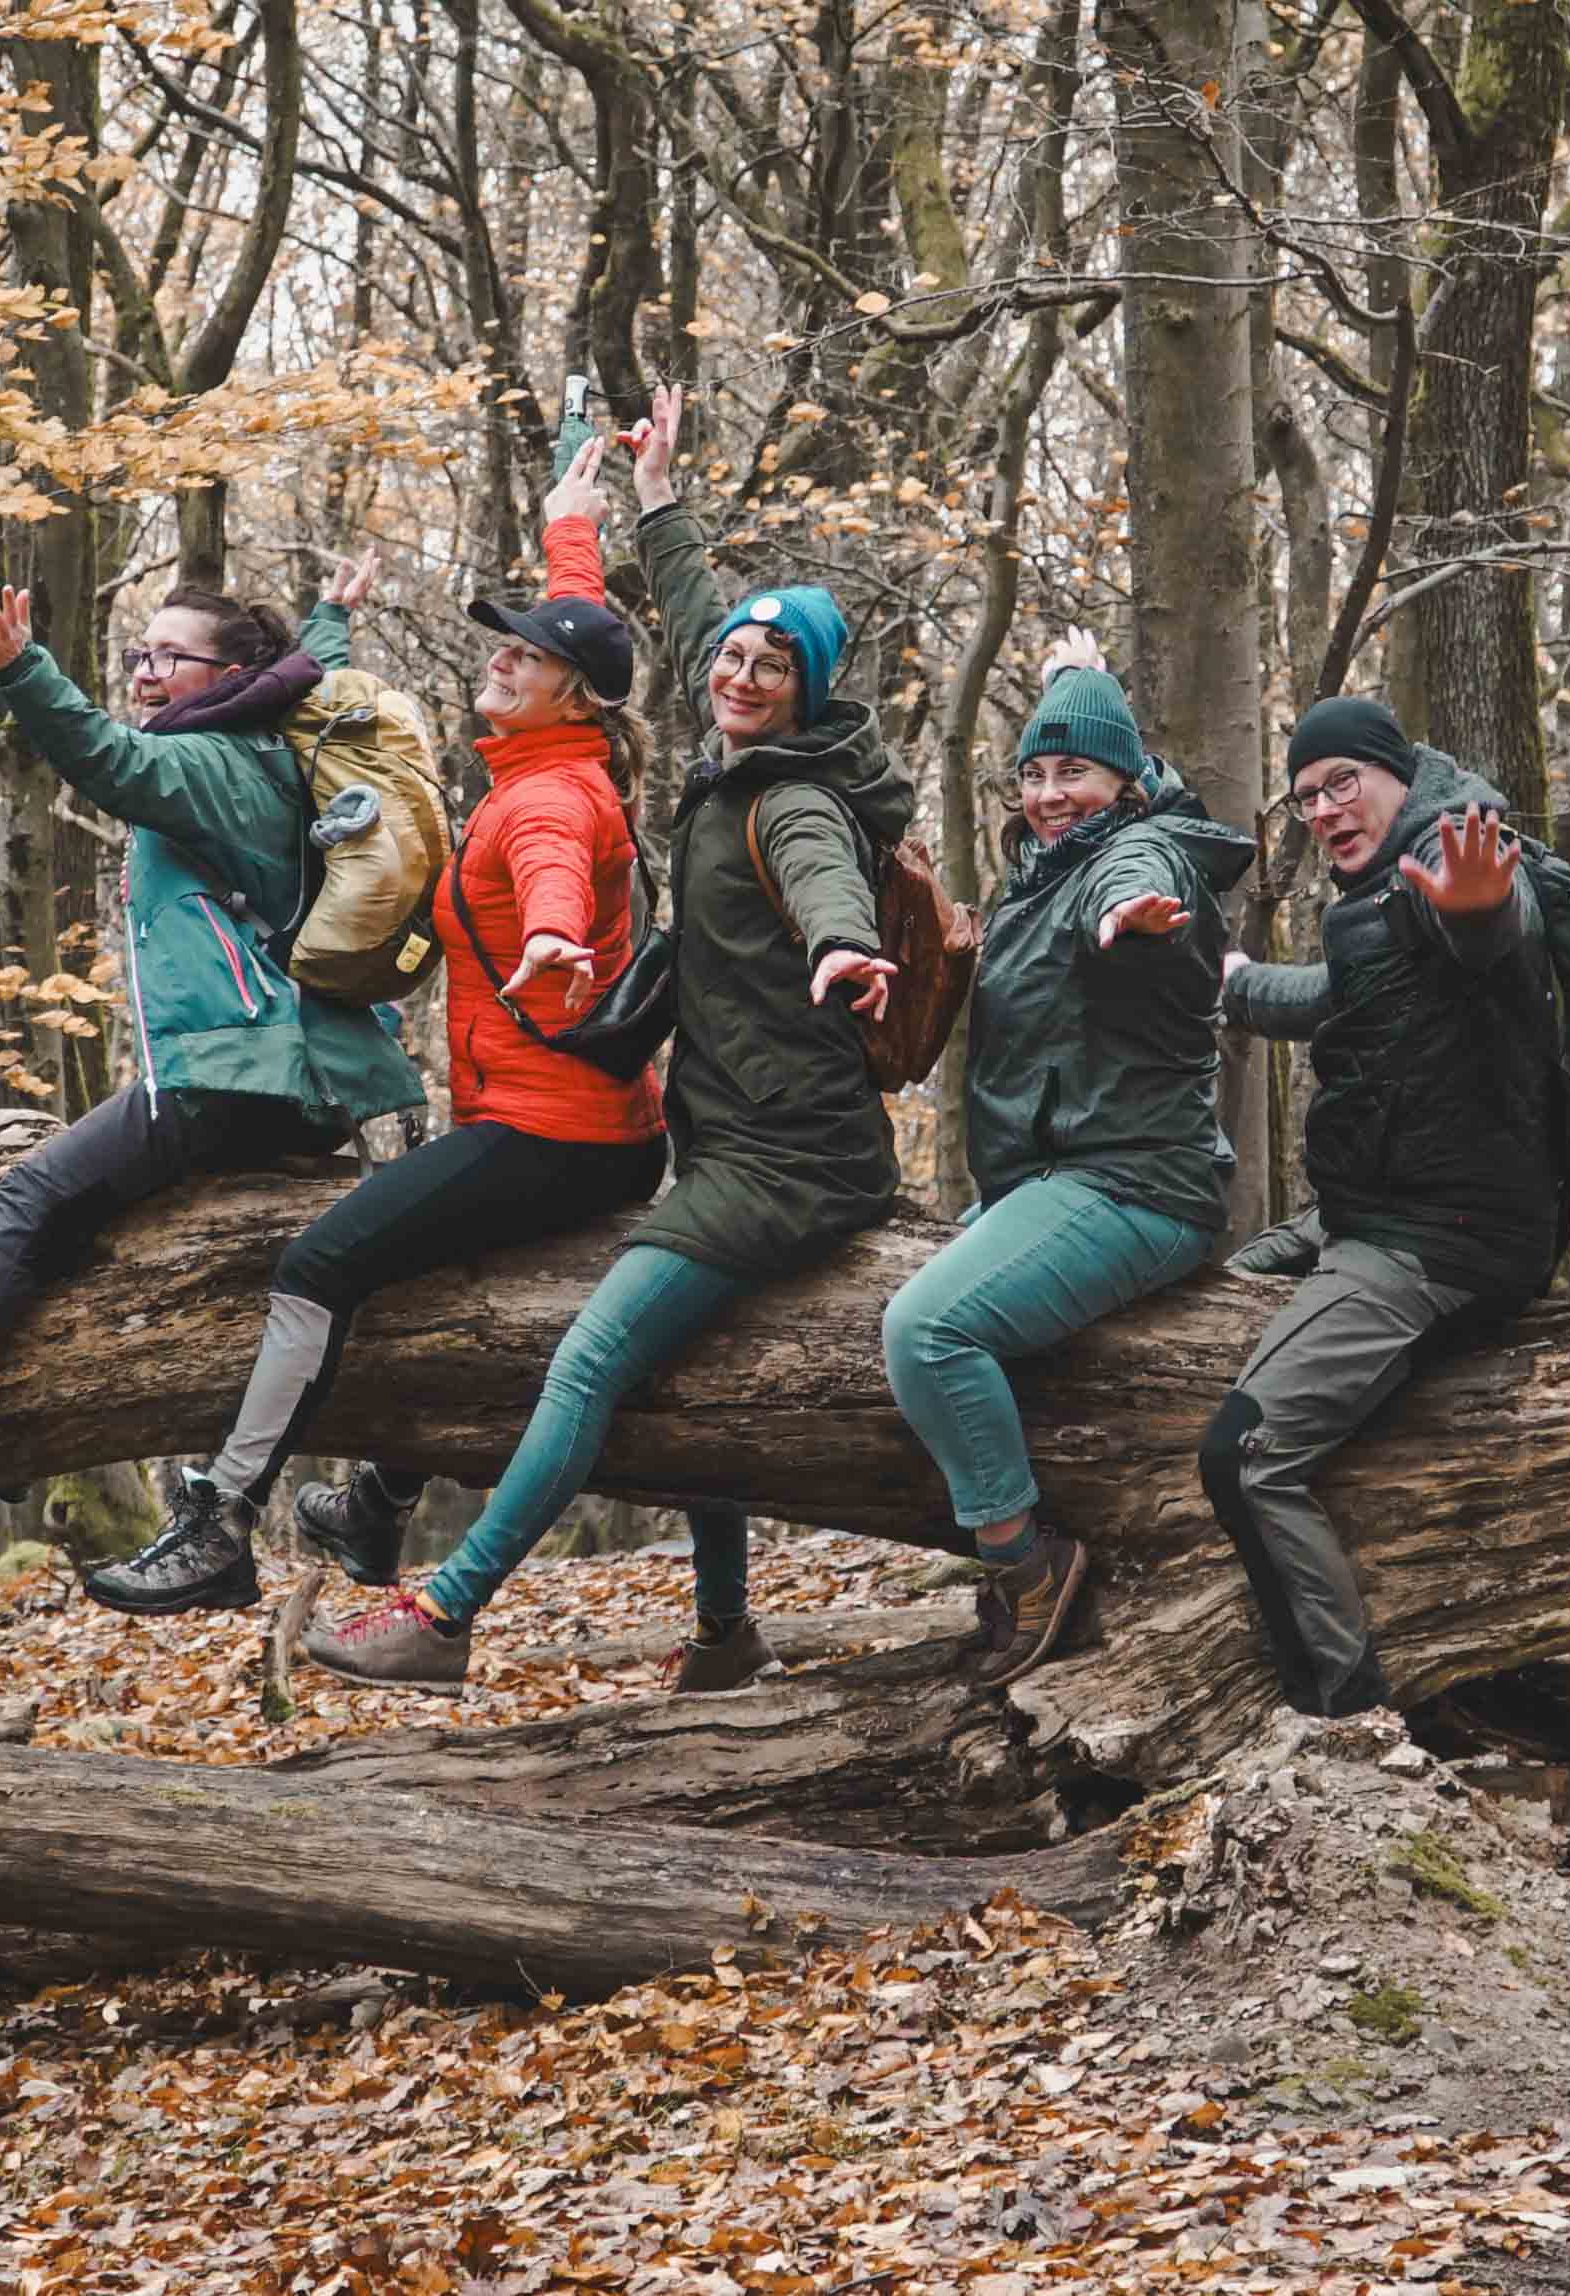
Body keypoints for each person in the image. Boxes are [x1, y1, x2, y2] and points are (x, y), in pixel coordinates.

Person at [74, 442, 734, 1680]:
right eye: (505, 646)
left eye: (521, 657)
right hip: (571, 1124)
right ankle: (376, 1503)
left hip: (554, 1135)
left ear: (571, 699)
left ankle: (219, 1521)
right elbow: (587, 636)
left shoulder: (549, 803)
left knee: (318, 1265)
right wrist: (572, 523)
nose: (499, 659)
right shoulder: (562, 759)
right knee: (432, 1280)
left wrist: (553, 937)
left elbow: (549, 872)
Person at [308, 386, 909, 1690]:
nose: (738, 676)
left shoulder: (793, 801)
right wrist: (637, 506)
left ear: (805, 696)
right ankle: (725, 1634)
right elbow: (687, 618)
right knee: (683, 1382)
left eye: (770, 669)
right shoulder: (739, 741)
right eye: (734, 660)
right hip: (731, 1142)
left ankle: (445, 1613)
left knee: (589, 1358)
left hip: (788, 1163)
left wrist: (842, 943)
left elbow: (823, 878)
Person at [0, 569, 421, 1488]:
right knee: (77, 1222)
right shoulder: (266, 747)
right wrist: (334, 615)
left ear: (230, 677)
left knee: (32, 1193)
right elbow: (300, 672)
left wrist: (24, 669)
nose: (144, 672)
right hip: (281, 1070)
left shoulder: (210, 762)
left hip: (236, 1066)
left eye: (168, 657)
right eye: (139, 653)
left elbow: (111, 761)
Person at [878, 633, 1250, 1686]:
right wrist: (1072, 691)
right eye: (1034, 773)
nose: (1048, 795)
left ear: (1124, 783)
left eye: (1073, 772)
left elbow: (1130, 875)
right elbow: (1103, 819)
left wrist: (1132, 921)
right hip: (1060, 1175)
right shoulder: (1052, 863)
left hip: (1140, 1186)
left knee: (924, 1329)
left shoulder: (1138, 860)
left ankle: (1026, 1562)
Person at [1197, 696, 1556, 1719]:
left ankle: (1344, 1717)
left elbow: (1492, 937)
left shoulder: (1456, 861)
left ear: (1397, 774)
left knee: (1241, 1457)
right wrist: (1234, 981)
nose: (1323, 809)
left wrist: (1480, 910)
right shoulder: (1373, 901)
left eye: (1341, 783)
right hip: (1369, 1209)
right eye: (1305, 796)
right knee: (1208, 1289)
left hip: (1439, 1241)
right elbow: (1333, 993)